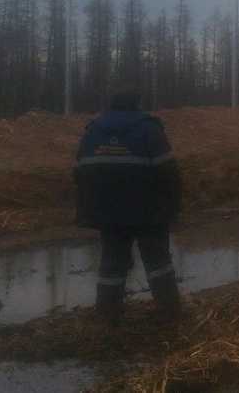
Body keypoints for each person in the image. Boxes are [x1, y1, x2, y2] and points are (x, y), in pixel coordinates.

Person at [74, 87, 182, 324]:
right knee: (158, 262)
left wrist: (86, 209)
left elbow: (79, 172)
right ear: (137, 104)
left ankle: (106, 314)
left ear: (110, 105)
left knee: (112, 263)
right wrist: (173, 207)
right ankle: (170, 313)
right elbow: (169, 173)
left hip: (107, 212)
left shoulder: (93, 130)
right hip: (148, 211)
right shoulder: (149, 129)